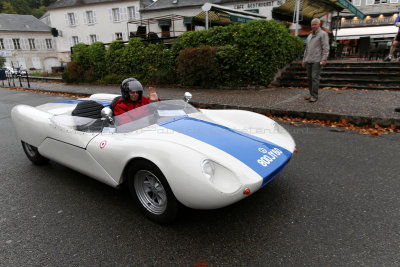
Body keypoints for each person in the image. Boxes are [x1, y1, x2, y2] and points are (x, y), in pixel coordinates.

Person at [302, 18, 329, 102]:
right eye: (312, 24)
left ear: (319, 25)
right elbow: (307, 49)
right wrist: (304, 59)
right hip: (309, 60)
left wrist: (324, 58)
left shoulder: (323, 34)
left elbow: (326, 47)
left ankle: (315, 96)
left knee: (314, 78)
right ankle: (311, 94)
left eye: (315, 24)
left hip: (317, 60)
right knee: (309, 78)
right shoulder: (309, 35)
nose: (313, 26)